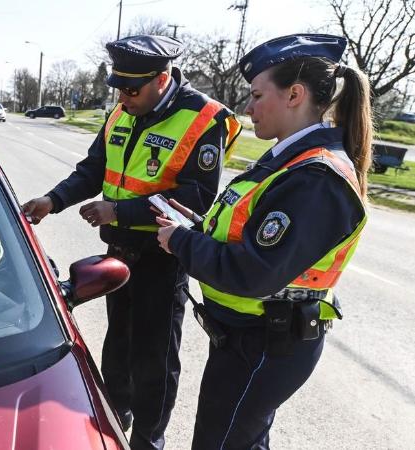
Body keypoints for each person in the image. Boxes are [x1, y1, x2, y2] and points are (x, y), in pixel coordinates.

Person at [21, 35, 241, 449]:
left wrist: (120, 211)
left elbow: (197, 198)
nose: (123, 97)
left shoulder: (202, 119)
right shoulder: (121, 111)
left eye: (132, 88)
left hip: (162, 258)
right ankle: (114, 423)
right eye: (118, 87)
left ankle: (147, 439)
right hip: (118, 255)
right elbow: (93, 169)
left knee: (154, 359)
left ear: (161, 79)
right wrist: (54, 200)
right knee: (118, 345)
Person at [155, 34, 371, 449]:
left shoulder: (315, 177)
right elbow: (250, 236)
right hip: (250, 339)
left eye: (256, 95)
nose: (248, 108)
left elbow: (253, 271)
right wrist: (197, 227)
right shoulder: (287, 160)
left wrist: (181, 243)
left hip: (264, 344)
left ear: (294, 94)